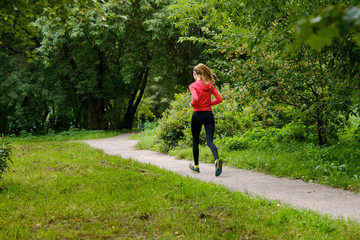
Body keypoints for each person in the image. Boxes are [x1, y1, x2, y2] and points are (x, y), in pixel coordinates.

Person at [189, 63, 223, 176]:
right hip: (208, 114)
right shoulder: (210, 86)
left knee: (195, 141)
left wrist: (192, 104)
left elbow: (195, 99)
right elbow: (219, 99)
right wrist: (209, 104)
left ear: (195, 73)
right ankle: (217, 160)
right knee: (209, 141)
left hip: (197, 115)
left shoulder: (193, 86)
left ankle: (196, 166)